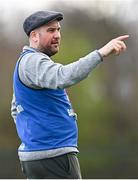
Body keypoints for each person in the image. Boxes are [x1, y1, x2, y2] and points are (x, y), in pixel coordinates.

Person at [11, 10, 129, 179]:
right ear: (34, 36)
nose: (58, 35)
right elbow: (63, 76)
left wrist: (34, 137)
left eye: (58, 30)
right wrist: (100, 54)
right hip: (53, 156)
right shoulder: (33, 61)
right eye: (51, 30)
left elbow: (16, 108)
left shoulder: (26, 63)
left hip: (37, 157)